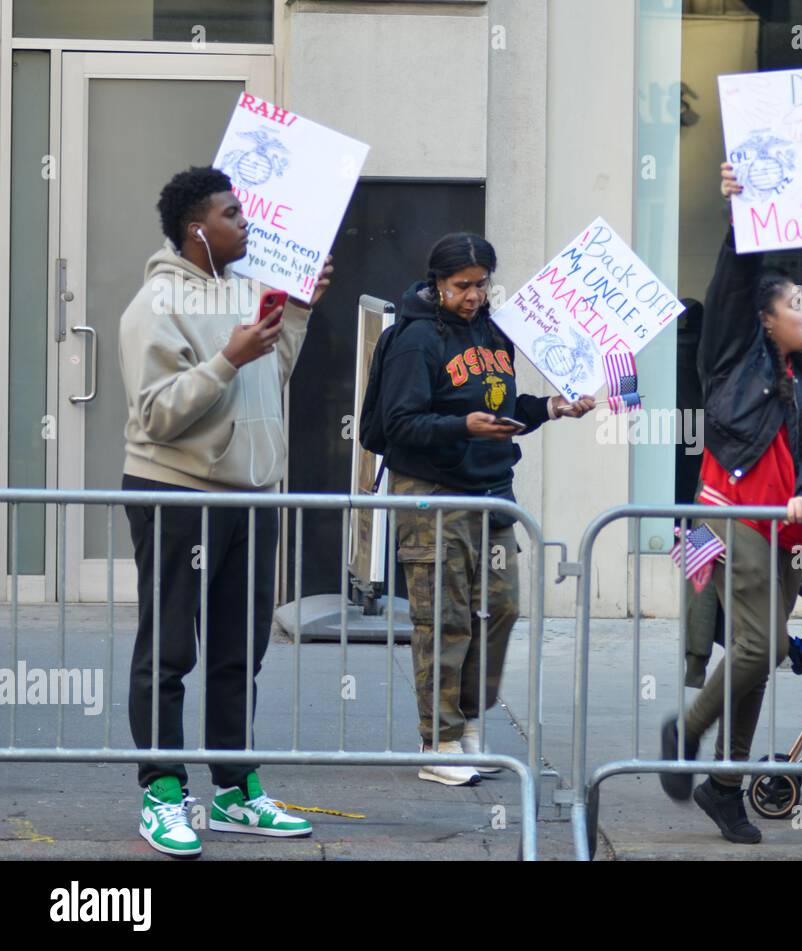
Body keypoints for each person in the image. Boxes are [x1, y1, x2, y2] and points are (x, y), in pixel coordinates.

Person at [120, 166, 333, 857]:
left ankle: (236, 792)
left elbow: (274, 375)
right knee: (170, 649)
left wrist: (294, 312)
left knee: (241, 651)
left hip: (251, 494)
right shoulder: (154, 303)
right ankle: (162, 792)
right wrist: (226, 359)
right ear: (196, 230)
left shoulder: (247, 290)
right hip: (179, 491)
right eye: (232, 214)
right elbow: (155, 413)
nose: (246, 223)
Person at [659, 162, 802, 844]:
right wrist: (740, 212)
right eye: (794, 305)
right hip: (727, 514)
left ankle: (724, 785)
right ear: (765, 318)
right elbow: (734, 282)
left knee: (758, 655)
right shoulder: (729, 359)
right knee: (761, 641)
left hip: (789, 532)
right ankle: (685, 734)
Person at [379, 232, 595, 786]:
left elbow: (502, 405)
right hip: (432, 491)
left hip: (492, 490)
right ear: (437, 283)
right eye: (461, 286)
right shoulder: (416, 340)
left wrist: (550, 406)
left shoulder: (495, 333)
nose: (474, 296)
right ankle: (439, 740)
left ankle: (465, 723)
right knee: (443, 619)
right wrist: (461, 426)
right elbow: (399, 423)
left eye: (481, 284)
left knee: (500, 609)